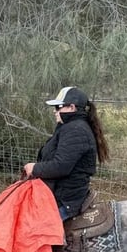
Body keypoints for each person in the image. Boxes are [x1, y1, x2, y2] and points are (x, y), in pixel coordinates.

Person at [23, 86, 110, 221]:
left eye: (58, 107)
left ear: (72, 108)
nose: (55, 111)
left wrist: (34, 168)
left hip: (67, 199)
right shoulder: (68, 127)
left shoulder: (76, 130)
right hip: (58, 193)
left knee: (36, 231)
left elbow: (61, 166)